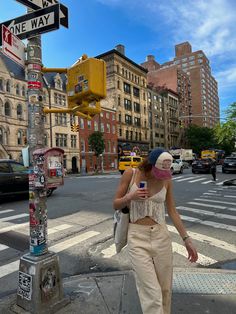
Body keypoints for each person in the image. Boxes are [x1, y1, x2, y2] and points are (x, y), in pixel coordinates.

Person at [113, 148, 198, 314]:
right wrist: (130, 197)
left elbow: (172, 210)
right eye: (159, 171)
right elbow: (115, 204)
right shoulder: (131, 174)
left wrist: (186, 239)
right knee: (151, 293)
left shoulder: (166, 180)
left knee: (165, 289)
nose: (161, 176)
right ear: (150, 165)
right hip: (137, 236)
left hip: (161, 236)